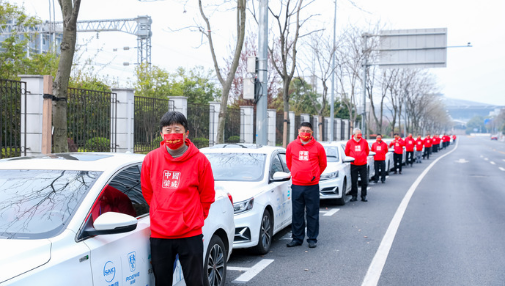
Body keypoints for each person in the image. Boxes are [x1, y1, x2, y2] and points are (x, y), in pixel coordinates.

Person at [141, 111, 215, 286]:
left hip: (190, 233)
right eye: (167, 130)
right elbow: (147, 191)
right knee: (162, 281)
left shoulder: (200, 161)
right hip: (160, 234)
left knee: (195, 281)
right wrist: (160, 212)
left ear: (186, 132)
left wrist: (194, 218)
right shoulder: (151, 159)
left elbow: (207, 195)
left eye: (176, 129)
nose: (171, 134)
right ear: (161, 134)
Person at [286, 122, 327, 249]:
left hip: (312, 185)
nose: (305, 133)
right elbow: (289, 162)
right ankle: (297, 238)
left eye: (308, 131)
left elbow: (323, 164)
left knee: (312, 212)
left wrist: (315, 175)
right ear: (298, 131)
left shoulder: (318, 147)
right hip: (297, 184)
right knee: (297, 213)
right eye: (303, 130)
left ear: (311, 133)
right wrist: (296, 173)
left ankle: (312, 238)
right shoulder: (292, 146)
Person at [345, 128, 370, 202]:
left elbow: (367, 151)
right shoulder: (349, 142)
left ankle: (363, 196)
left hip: (363, 164)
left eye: (360, 133)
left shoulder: (364, 142)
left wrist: (363, 156)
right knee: (354, 181)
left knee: (364, 181)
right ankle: (354, 196)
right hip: (354, 164)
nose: (359, 134)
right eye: (357, 133)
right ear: (354, 134)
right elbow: (346, 152)